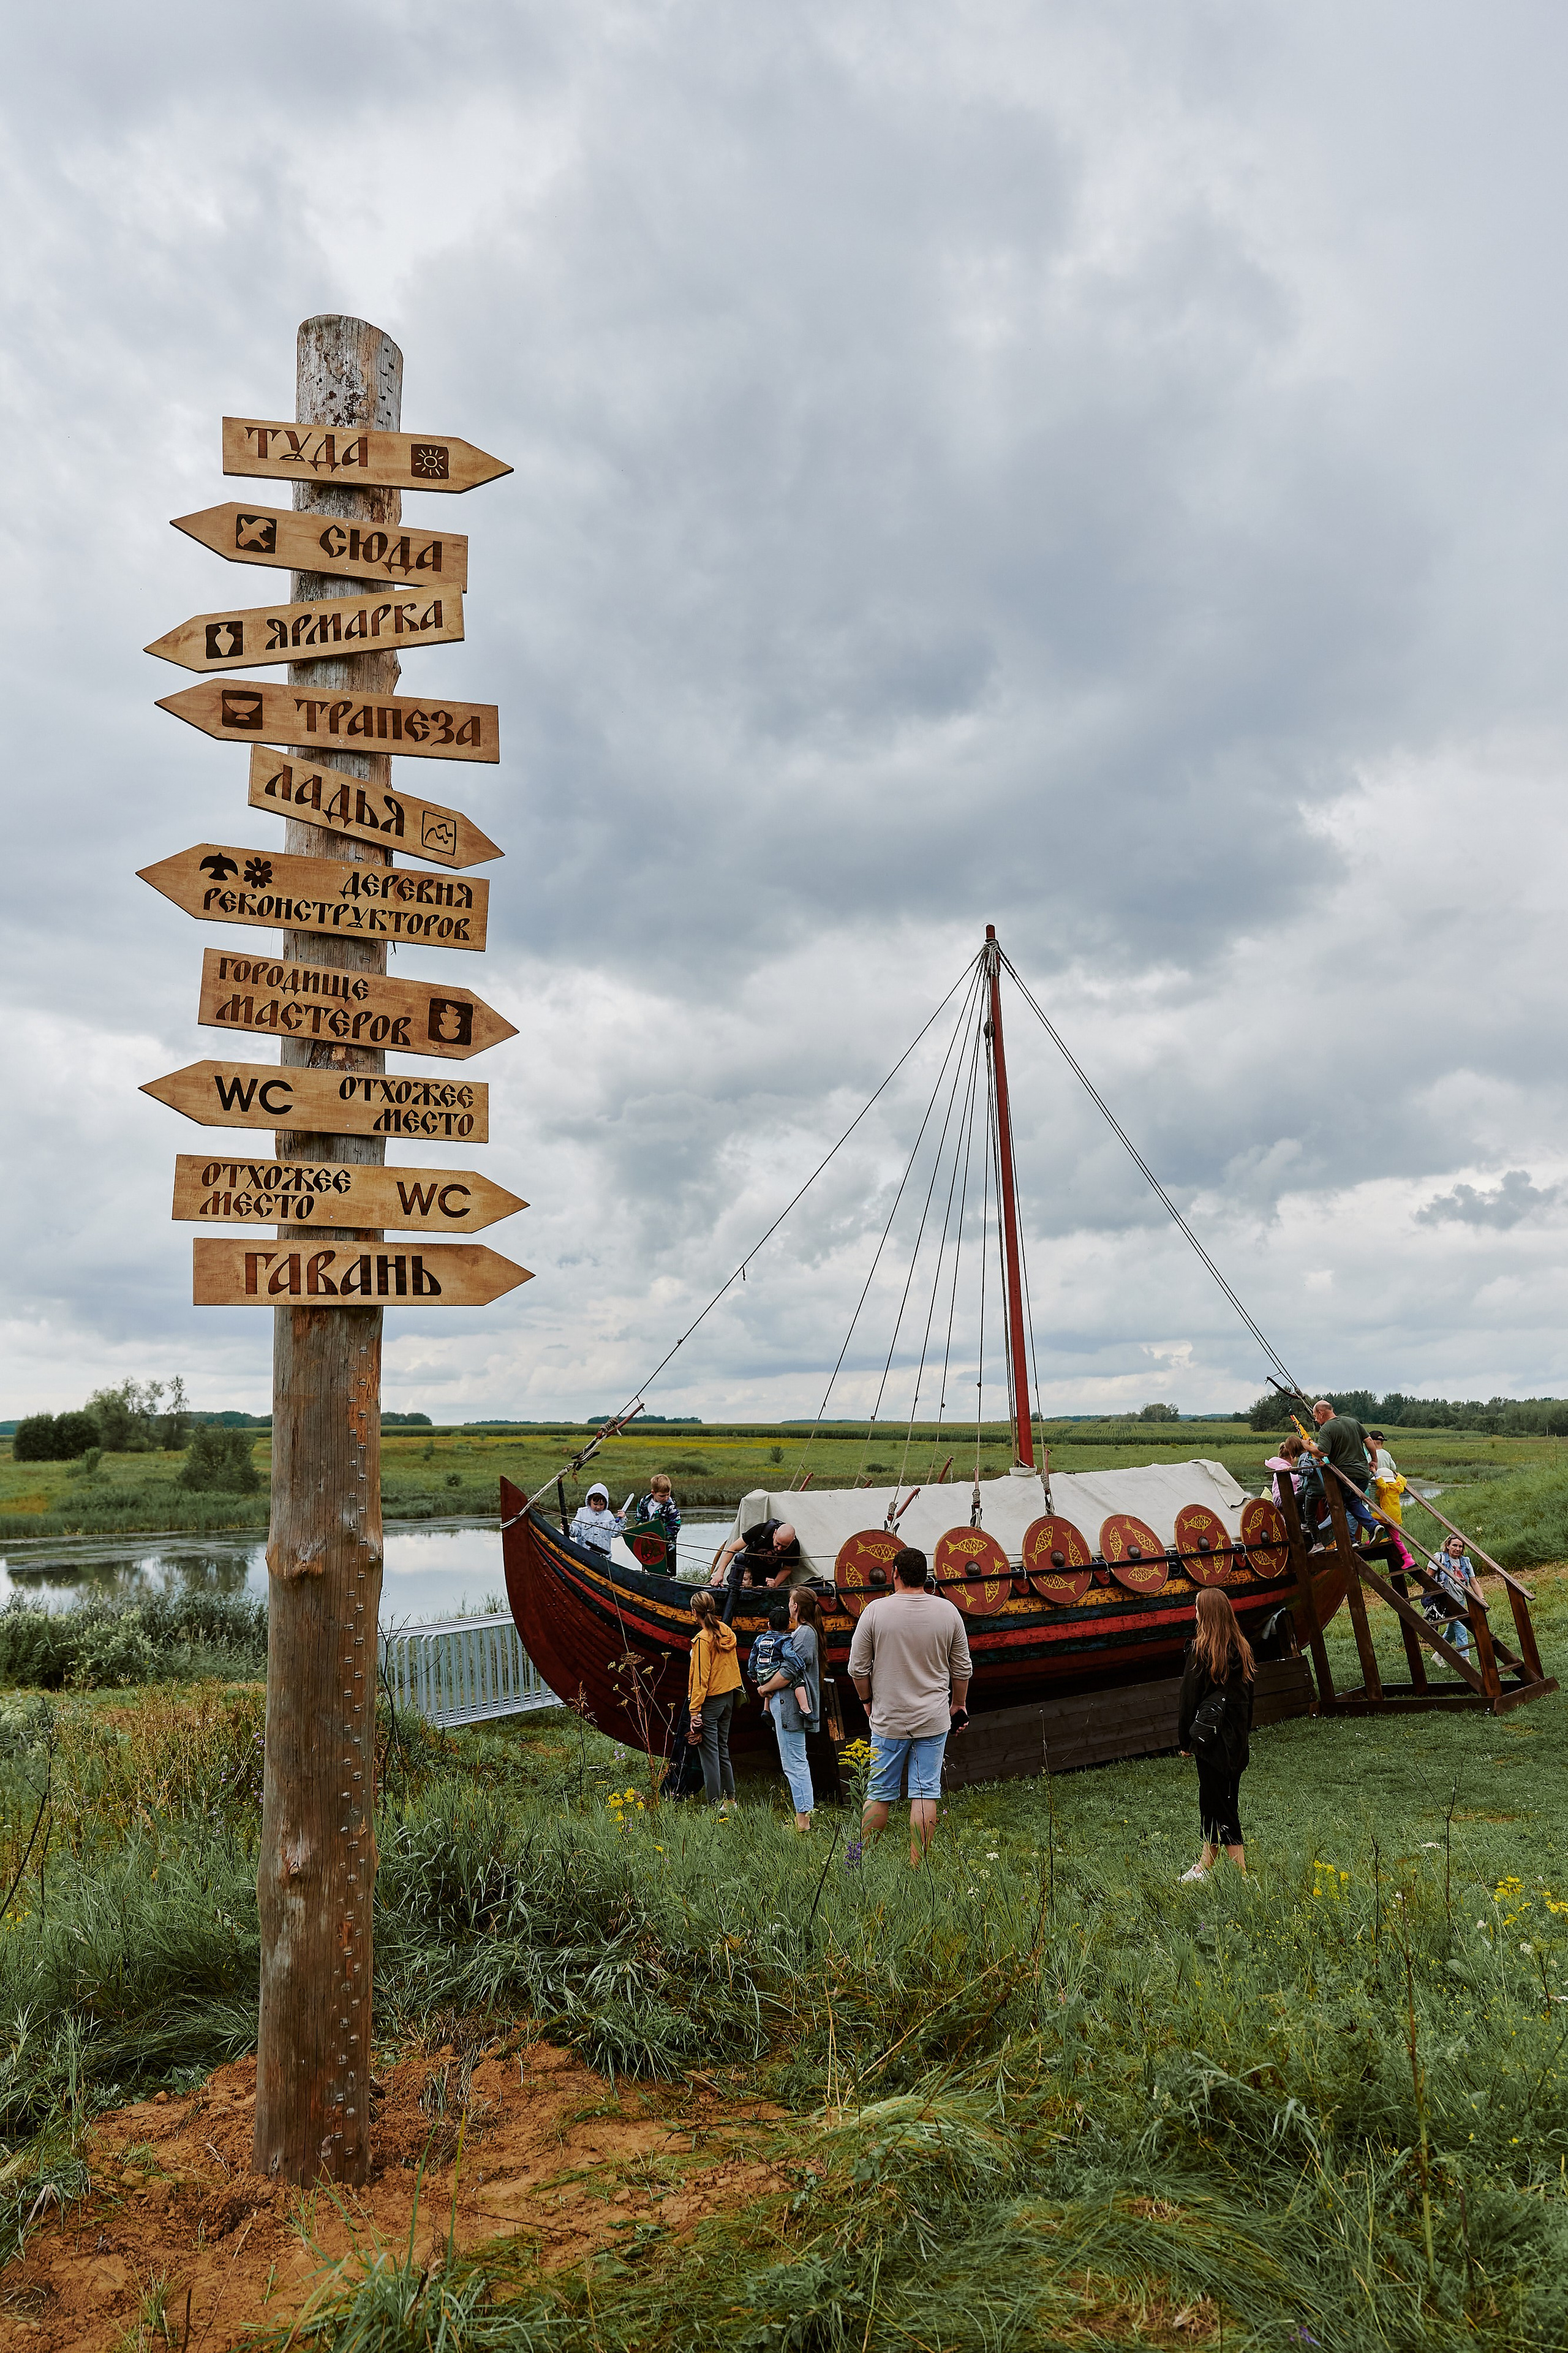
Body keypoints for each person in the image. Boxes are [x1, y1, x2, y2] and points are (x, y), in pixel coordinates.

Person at [847, 1546, 971, 1867]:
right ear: (925, 1576)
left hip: (888, 1718)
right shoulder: (948, 1612)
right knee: (925, 1792)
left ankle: (862, 1863)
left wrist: (867, 1701)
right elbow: (962, 1669)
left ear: (895, 1574)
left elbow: (857, 1669)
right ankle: (919, 1867)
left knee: (878, 1791)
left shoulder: (875, 1612)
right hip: (933, 1718)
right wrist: (958, 1704)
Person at [1177, 1587, 1256, 1883]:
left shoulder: (1201, 1651)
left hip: (1210, 1743)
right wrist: (1243, 1736)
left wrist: (1186, 1741)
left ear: (1207, 1614)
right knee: (1214, 1800)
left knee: (1223, 1807)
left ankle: (1240, 1876)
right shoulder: (1243, 1649)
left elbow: (1189, 1699)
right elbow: (1248, 1700)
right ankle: (1205, 1865)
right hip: (1236, 1742)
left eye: (1198, 1608)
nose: (1195, 1613)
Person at [758, 1589, 822, 1831]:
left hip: (790, 1709)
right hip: (787, 1707)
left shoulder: (804, 1633)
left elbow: (789, 1671)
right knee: (794, 1762)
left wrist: (765, 1688)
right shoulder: (802, 1632)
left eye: (790, 1601)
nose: (788, 1605)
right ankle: (802, 1817)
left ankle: (803, 1821)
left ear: (795, 1607)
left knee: (795, 1763)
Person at [687, 1588, 742, 1813]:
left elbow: (701, 1677)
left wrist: (694, 1711)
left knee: (709, 1755)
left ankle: (713, 1805)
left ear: (694, 1612)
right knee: (722, 1749)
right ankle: (730, 1800)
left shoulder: (703, 1639)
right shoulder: (725, 1631)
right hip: (728, 1696)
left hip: (710, 1701)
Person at [1305, 1399, 1380, 1546]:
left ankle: (1353, 1538)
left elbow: (1323, 1452)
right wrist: (1374, 1460)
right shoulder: (1353, 1422)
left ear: (1321, 1413)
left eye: (1315, 1416)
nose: (1316, 1420)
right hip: (1362, 1474)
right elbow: (1369, 1441)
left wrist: (1306, 1447)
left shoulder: (1327, 1428)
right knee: (1353, 1503)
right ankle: (1368, 1530)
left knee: (1338, 1506)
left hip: (1345, 1476)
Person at [710, 1518, 802, 1621]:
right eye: (778, 1543)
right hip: (748, 1573)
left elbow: (787, 1569)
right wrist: (720, 1573)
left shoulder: (794, 1546)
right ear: (775, 1534)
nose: (779, 1549)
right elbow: (733, 1549)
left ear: (792, 1541)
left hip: (767, 1579)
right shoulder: (761, 1530)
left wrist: (775, 1583)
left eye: (784, 1547)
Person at [1428, 1532, 1480, 1665]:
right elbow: (1428, 1577)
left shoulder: (1465, 1561)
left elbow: (1473, 1582)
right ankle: (1465, 1659)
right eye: (1455, 1545)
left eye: (1460, 1546)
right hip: (1444, 1601)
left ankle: (1438, 1655)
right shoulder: (1439, 1558)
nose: (1458, 1549)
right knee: (1461, 1626)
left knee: (1452, 1631)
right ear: (1448, 1545)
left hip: (1460, 1600)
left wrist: (1482, 1599)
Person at [629, 1473, 682, 1571]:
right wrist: (643, 1532)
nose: (666, 1498)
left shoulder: (671, 1507)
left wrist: (660, 1535)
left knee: (665, 1572)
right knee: (648, 1566)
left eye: (668, 1494)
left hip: (666, 1546)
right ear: (653, 1492)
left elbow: (676, 1526)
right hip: (647, 1543)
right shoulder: (644, 1503)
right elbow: (639, 1519)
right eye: (662, 1496)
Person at [569, 1482, 624, 1558]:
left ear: (606, 1503)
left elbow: (615, 1533)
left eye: (601, 1504)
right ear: (589, 1501)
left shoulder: (608, 1515)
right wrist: (568, 1528)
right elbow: (575, 1531)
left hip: (604, 1557)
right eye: (595, 1504)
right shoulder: (582, 1513)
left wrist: (622, 1520)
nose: (598, 1507)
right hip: (584, 1556)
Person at [1264, 1433, 1306, 1511]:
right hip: (1281, 1499)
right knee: (1306, 1493)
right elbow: (1294, 1479)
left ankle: (1302, 1515)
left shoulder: (1281, 1466)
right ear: (1291, 1456)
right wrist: (1304, 1474)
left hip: (1284, 1496)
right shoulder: (1282, 1467)